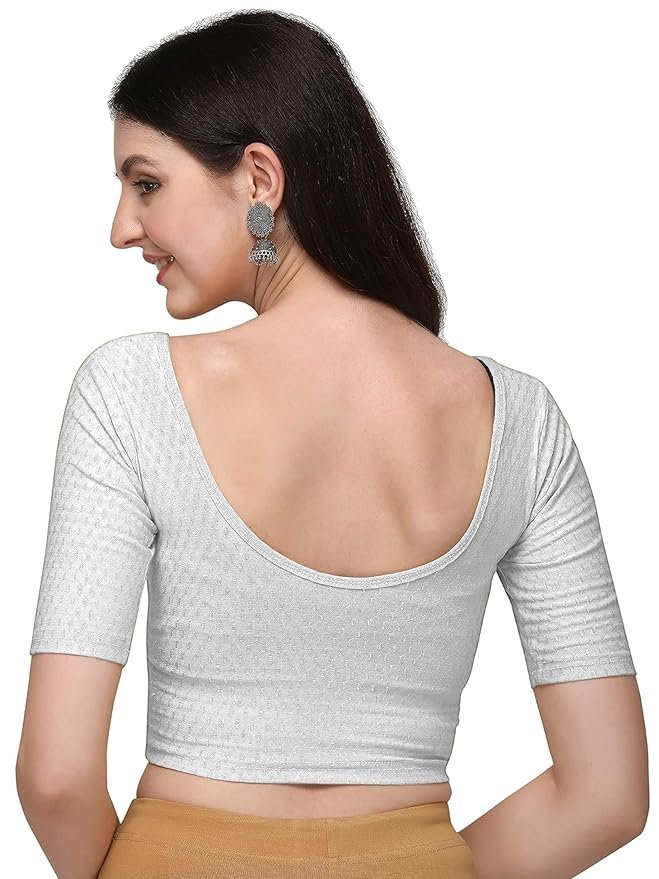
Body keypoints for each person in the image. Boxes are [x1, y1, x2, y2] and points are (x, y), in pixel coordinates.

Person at [16, 10, 647, 879]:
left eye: (146, 183)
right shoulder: (520, 422)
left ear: (259, 177)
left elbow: (55, 777)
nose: (122, 227)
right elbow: (606, 795)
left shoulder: (131, 393)